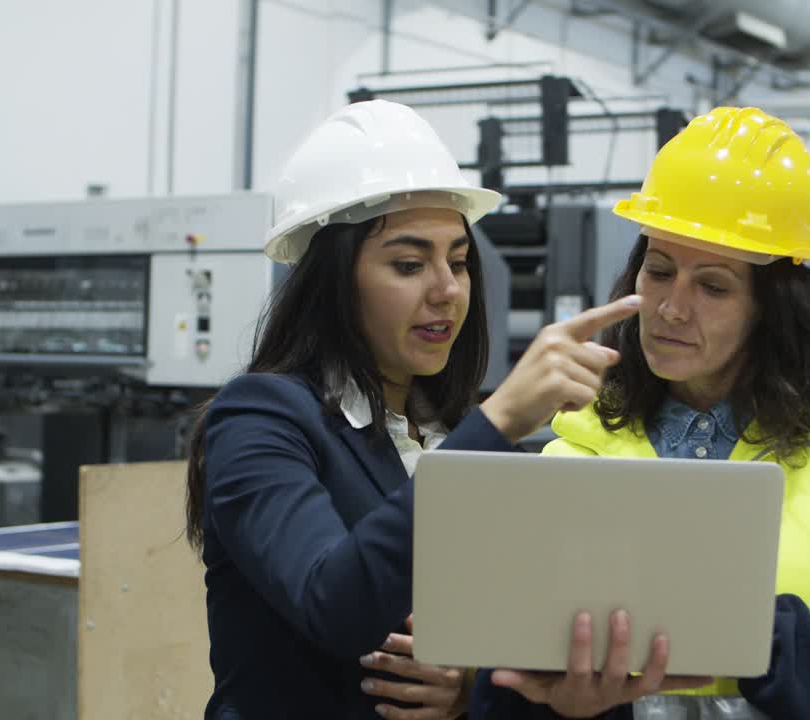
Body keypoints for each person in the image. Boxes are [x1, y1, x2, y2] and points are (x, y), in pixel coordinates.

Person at [472, 107, 810, 719]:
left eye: (712, 286)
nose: (670, 308)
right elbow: (500, 692)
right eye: (659, 272)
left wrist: (749, 631)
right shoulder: (570, 460)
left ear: (773, 309)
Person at [183, 100, 656, 719]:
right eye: (409, 264)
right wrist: (500, 421)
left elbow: (515, 632)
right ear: (332, 283)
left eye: (458, 261)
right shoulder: (260, 421)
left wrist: (475, 689)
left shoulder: (452, 433)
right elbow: (336, 605)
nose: (447, 289)